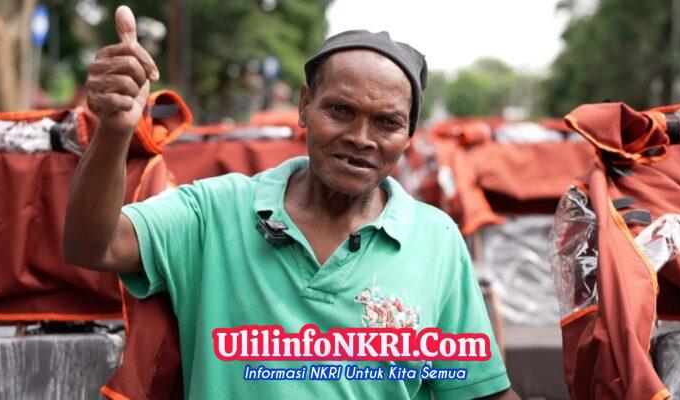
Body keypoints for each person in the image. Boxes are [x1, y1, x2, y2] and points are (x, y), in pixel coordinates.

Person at [63, 5, 519, 400]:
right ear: (305, 106)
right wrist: (115, 131)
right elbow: (92, 245)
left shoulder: (436, 241)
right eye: (340, 110)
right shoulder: (214, 212)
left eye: (387, 123)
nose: (361, 138)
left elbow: (479, 391)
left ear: (409, 134)